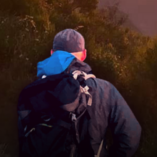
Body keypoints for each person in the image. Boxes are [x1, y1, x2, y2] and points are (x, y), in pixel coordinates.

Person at [17, 29, 141, 157]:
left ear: (52, 53)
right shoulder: (105, 89)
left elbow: (24, 135)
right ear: (84, 54)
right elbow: (131, 135)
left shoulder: (34, 90)